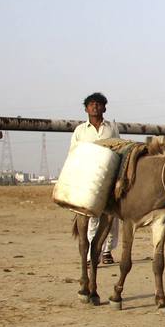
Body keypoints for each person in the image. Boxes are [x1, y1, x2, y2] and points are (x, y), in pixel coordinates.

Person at [69, 91, 121, 265]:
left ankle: (107, 251)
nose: (95, 107)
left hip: (109, 176)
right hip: (88, 177)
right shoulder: (80, 131)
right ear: (86, 109)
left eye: (98, 104)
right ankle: (93, 254)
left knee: (111, 215)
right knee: (91, 215)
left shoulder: (112, 128)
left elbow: (119, 151)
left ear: (104, 107)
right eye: (91, 104)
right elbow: (73, 153)